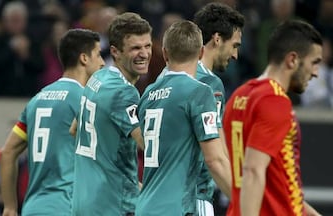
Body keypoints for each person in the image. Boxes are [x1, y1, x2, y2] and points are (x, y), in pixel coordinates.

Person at [0, 29, 105, 216]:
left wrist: (9, 206)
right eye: (97, 55)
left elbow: (7, 152)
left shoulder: (36, 100)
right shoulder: (85, 100)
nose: (102, 62)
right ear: (84, 59)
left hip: (33, 208)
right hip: (68, 207)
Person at [223, 19, 323, 216]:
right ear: (292, 60)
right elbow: (253, 171)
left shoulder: (239, 96)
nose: (316, 73)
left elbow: (278, 187)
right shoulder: (275, 101)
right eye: (314, 63)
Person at [136, 20, 231, 216]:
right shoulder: (200, 92)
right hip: (180, 207)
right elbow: (215, 160)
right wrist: (246, 203)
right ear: (202, 53)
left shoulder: (148, 94)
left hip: (145, 205)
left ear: (164, 53)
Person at [71, 12, 151, 215]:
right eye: (135, 48)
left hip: (84, 200)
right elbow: (149, 145)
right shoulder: (124, 91)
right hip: (113, 204)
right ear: (115, 51)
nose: (144, 54)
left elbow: (74, 129)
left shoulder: (97, 78)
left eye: (147, 46)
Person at [192, 3, 245, 215]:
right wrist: (245, 204)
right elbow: (215, 158)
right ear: (216, 39)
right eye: (234, 45)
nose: (235, 55)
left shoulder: (164, 79)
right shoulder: (209, 85)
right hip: (194, 197)